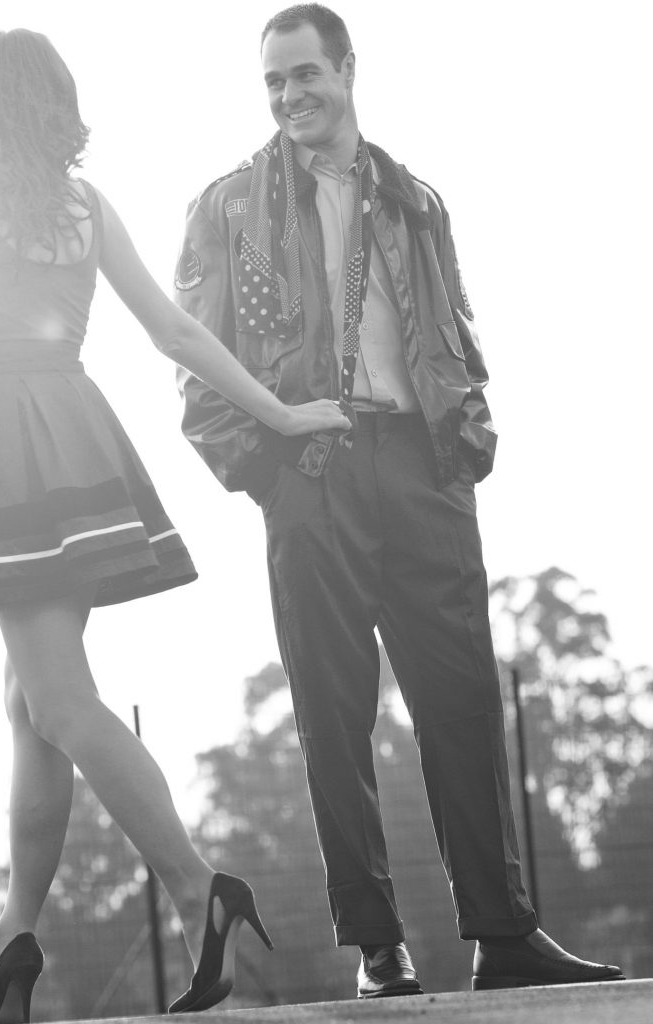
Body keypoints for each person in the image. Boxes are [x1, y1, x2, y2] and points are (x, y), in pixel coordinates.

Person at [175, 2, 625, 998]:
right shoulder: (228, 206)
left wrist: (462, 448)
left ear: (346, 69)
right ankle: (378, 950)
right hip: (310, 474)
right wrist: (263, 471)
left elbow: (454, 329)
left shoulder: (415, 200)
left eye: (305, 73)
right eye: (273, 80)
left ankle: (503, 933)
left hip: (423, 468)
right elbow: (193, 354)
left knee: (462, 699)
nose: (290, 94)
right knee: (333, 714)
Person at [0, 28, 350, 1024]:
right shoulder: (84, 209)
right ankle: (14, 940)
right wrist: (278, 413)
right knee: (30, 705)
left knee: (61, 704)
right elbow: (174, 330)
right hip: (77, 443)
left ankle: (200, 891)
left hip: (6, 463)